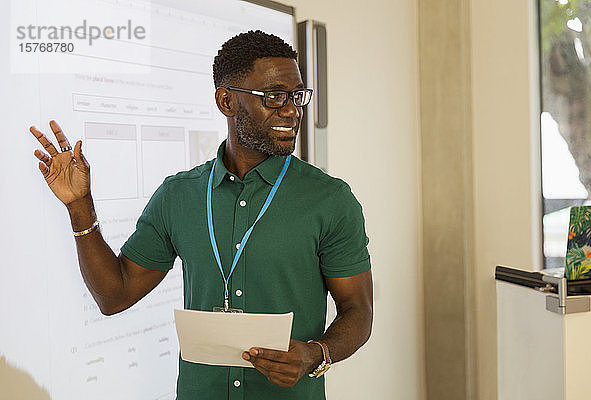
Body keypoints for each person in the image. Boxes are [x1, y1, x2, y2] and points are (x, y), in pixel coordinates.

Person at [29, 30, 373, 400]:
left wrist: (314, 354)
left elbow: (358, 310)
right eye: (274, 97)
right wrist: (80, 206)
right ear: (226, 100)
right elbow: (115, 295)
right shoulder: (178, 195)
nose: (291, 110)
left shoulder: (330, 199)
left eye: (296, 96)